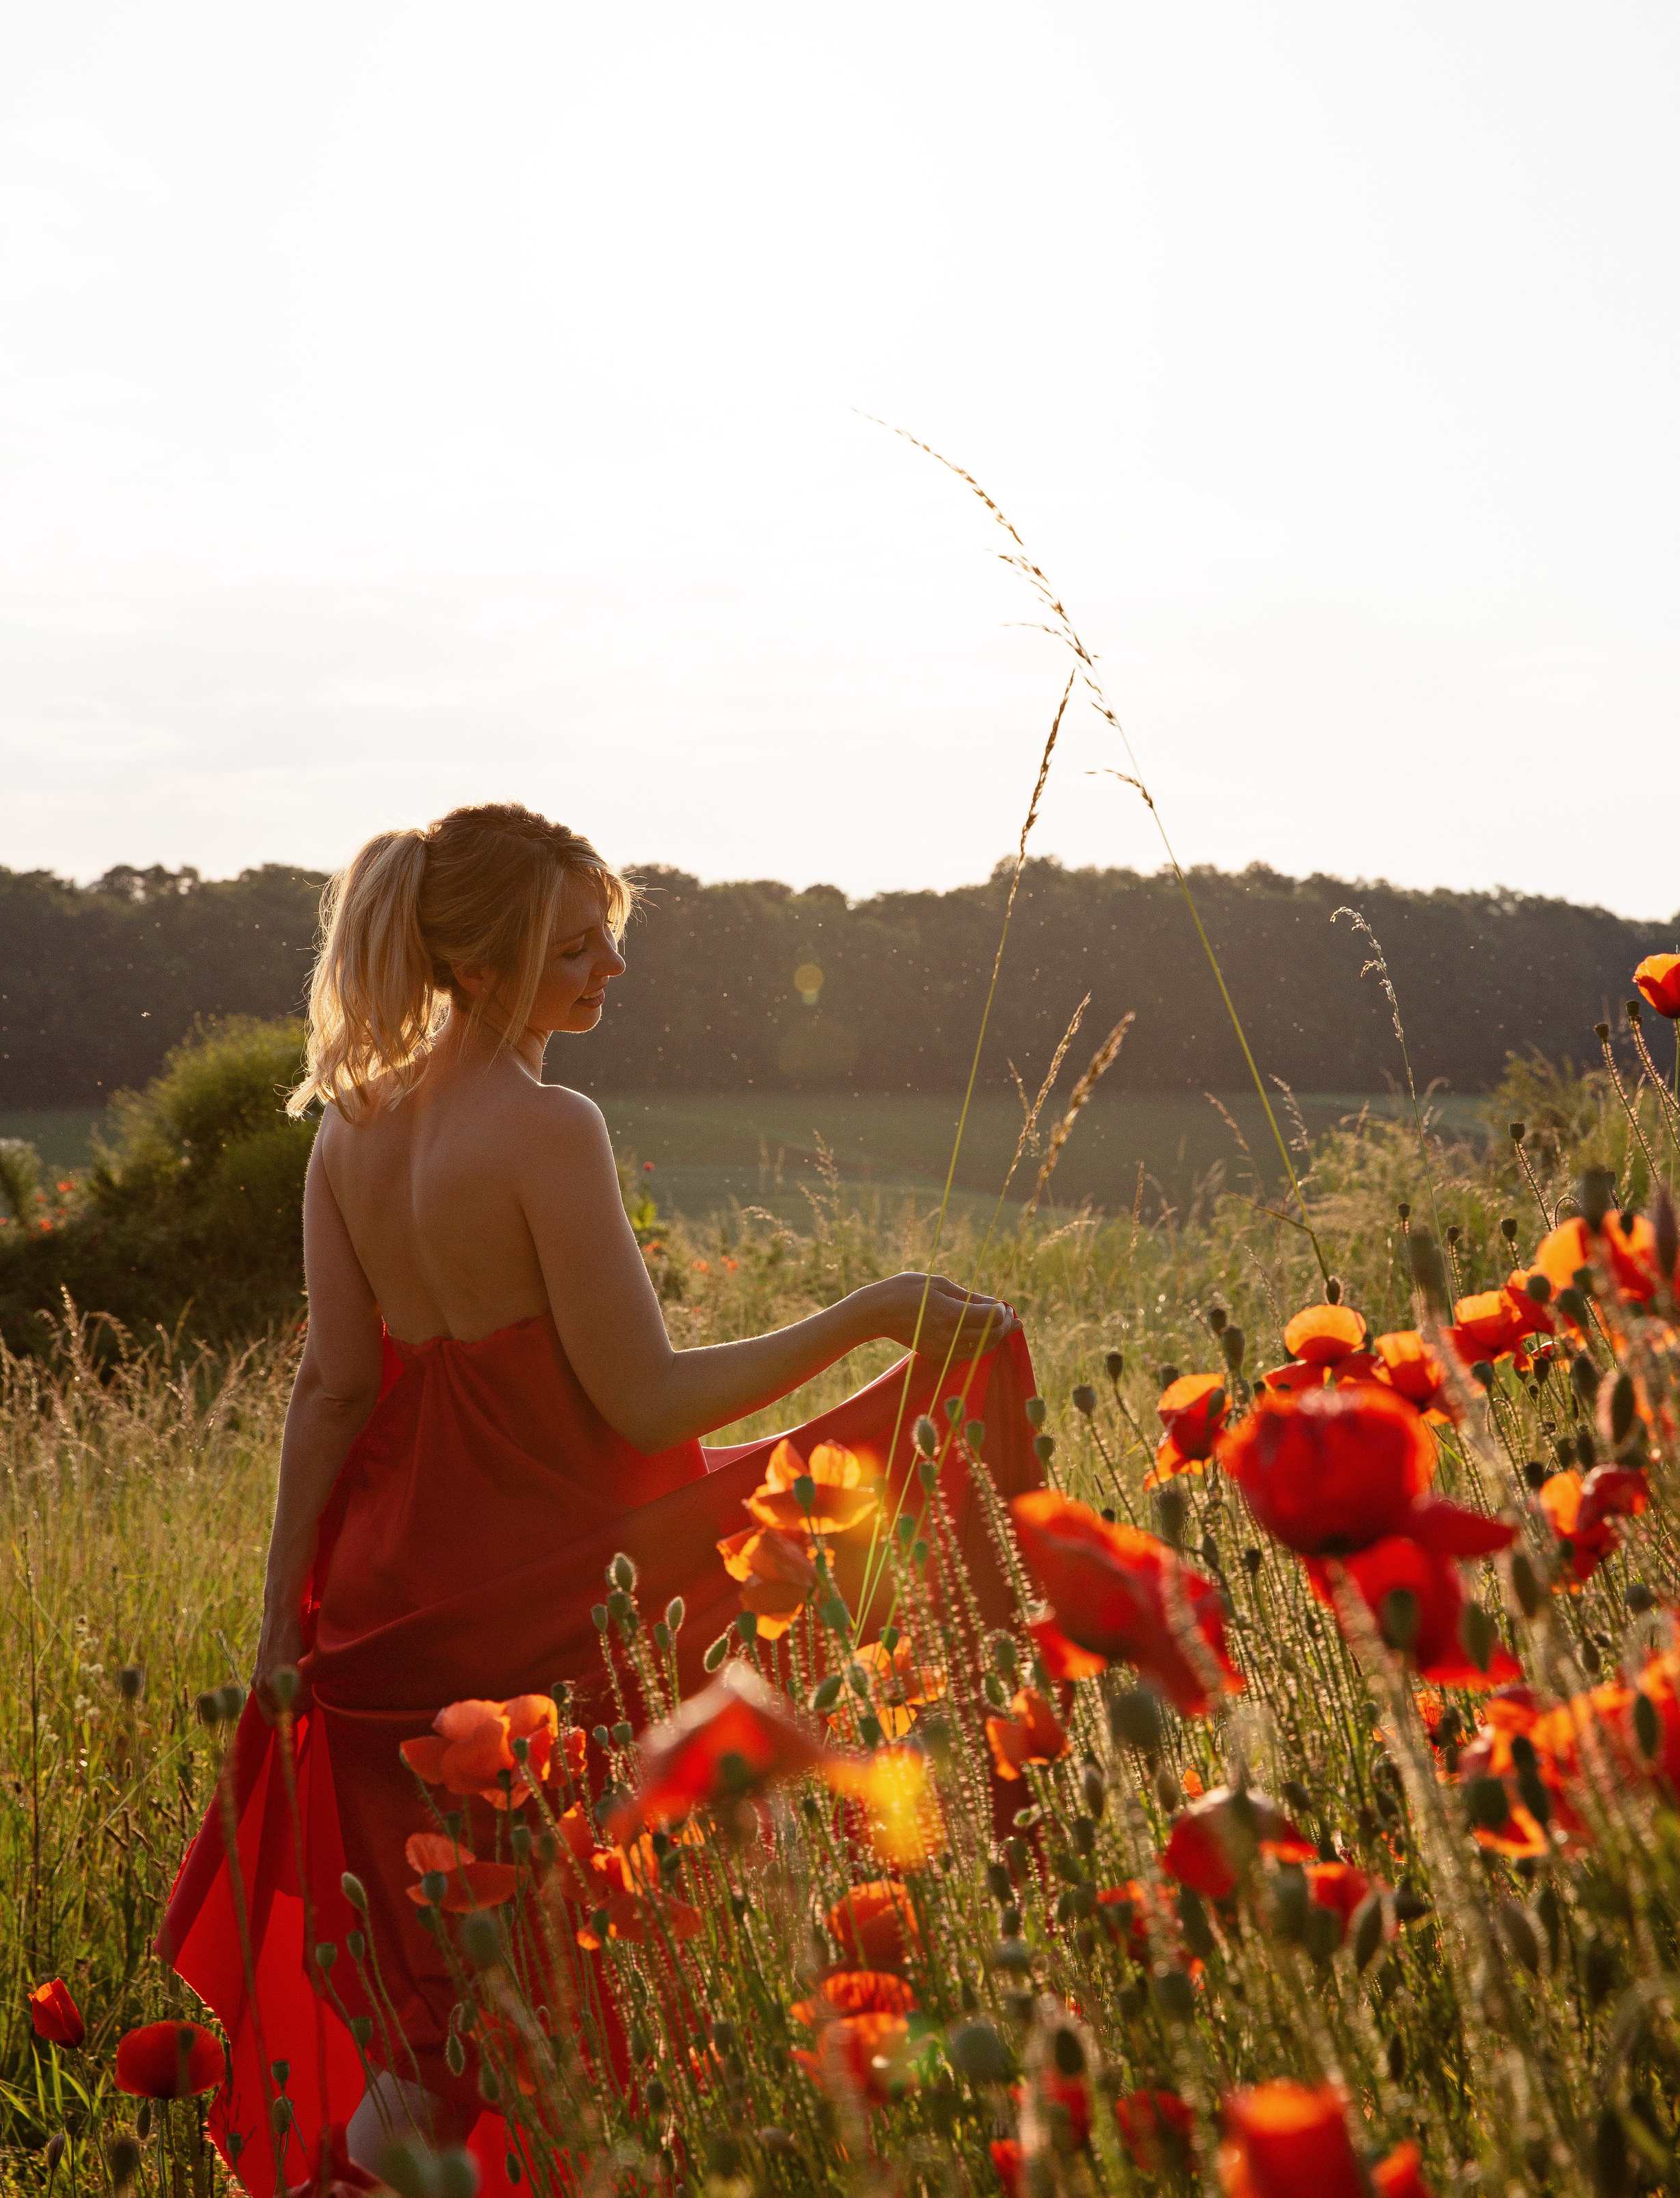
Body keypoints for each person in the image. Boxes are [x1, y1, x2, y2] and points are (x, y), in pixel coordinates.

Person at [159, 801, 1038, 2197]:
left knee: (456, 1990)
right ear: (494, 959)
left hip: (390, 1600)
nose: (607, 972)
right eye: (576, 946)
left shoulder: (351, 1129)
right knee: (560, 1962)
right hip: (550, 1579)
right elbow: (645, 1401)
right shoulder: (547, 1126)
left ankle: (372, 2170)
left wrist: (285, 1621)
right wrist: (869, 1315)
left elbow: (332, 1390)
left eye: (608, 940)